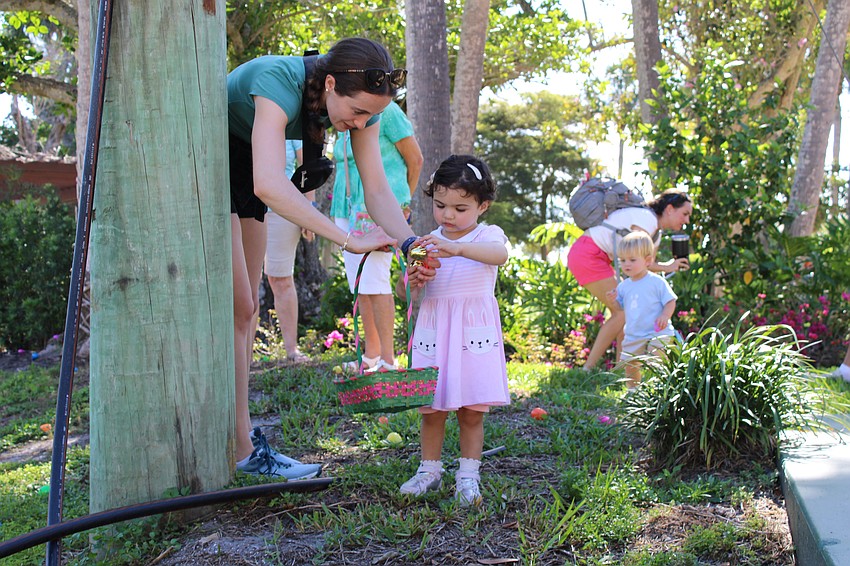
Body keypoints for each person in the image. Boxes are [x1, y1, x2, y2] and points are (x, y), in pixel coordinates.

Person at [228, 37, 432, 479]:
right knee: (240, 307)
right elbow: (269, 182)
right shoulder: (277, 80)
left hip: (244, 171)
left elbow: (377, 190)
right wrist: (347, 238)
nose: (361, 124)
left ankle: (240, 447)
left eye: (370, 116)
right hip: (210, 162)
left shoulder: (362, 112)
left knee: (244, 312)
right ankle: (238, 447)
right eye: (357, 112)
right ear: (332, 83)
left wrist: (411, 244)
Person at [395, 155, 510, 508]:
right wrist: (412, 281)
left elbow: (500, 255)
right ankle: (429, 469)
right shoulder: (425, 242)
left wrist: (458, 247)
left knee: (472, 410)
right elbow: (408, 293)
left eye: (460, 208)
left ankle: (468, 474)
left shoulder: (486, 236)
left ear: (482, 206)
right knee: (431, 409)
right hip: (434, 330)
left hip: (472, 335)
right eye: (440, 205)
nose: (448, 215)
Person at [332, 101, 423, 371]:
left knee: (377, 280)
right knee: (361, 284)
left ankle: (387, 360)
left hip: (378, 206)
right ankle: (371, 355)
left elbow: (415, 159)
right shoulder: (343, 110)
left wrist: (401, 203)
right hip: (345, 206)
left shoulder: (388, 110)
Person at [567, 188, 693, 370]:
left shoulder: (655, 232)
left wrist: (669, 268)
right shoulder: (647, 219)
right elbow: (637, 255)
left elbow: (644, 266)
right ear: (670, 209)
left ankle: (621, 370)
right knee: (622, 312)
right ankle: (587, 369)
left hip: (599, 257)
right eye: (685, 213)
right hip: (589, 254)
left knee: (626, 313)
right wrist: (668, 266)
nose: (687, 220)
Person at [606, 231, 677, 387]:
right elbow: (620, 307)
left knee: (657, 357)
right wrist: (613, 301)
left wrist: (665, 315)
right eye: (622, 260)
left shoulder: (656, 282)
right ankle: (633, 391)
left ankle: (660, 387)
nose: (626, 264)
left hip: (658, 330)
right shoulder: (624, 286)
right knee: (631, 363)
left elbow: (670, 301)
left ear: (648, 260)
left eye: (632, 260)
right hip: (634, 332)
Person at [263, 139, 312, 364]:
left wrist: (308, 213)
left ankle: (291, 350)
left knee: (280, 278)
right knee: (246, 280)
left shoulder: (289, 124)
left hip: (282, 210)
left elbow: (306, 169)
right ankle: (241, 352)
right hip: (241, 208)